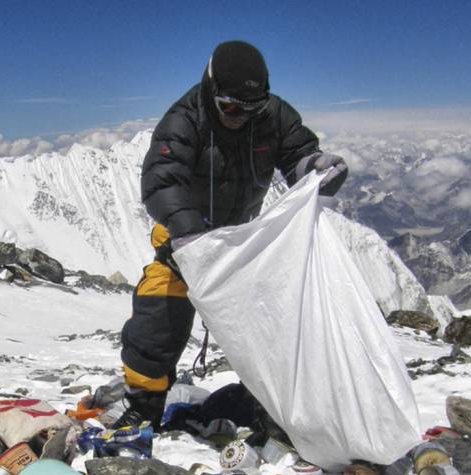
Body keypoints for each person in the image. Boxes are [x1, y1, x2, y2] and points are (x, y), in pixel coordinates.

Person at [114, 39, 348, 429]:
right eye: (231, 107)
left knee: (274, 324)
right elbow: (160, 181)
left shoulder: (274, 116)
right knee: (158, 320)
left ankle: (272, 406)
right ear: (211, 90)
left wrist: (316, 167)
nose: (240, 116)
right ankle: (144, 406)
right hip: (183, 243)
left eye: (251, 108)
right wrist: (188, 235)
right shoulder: (184, 120)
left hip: (242, 243)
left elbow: (297, 154)